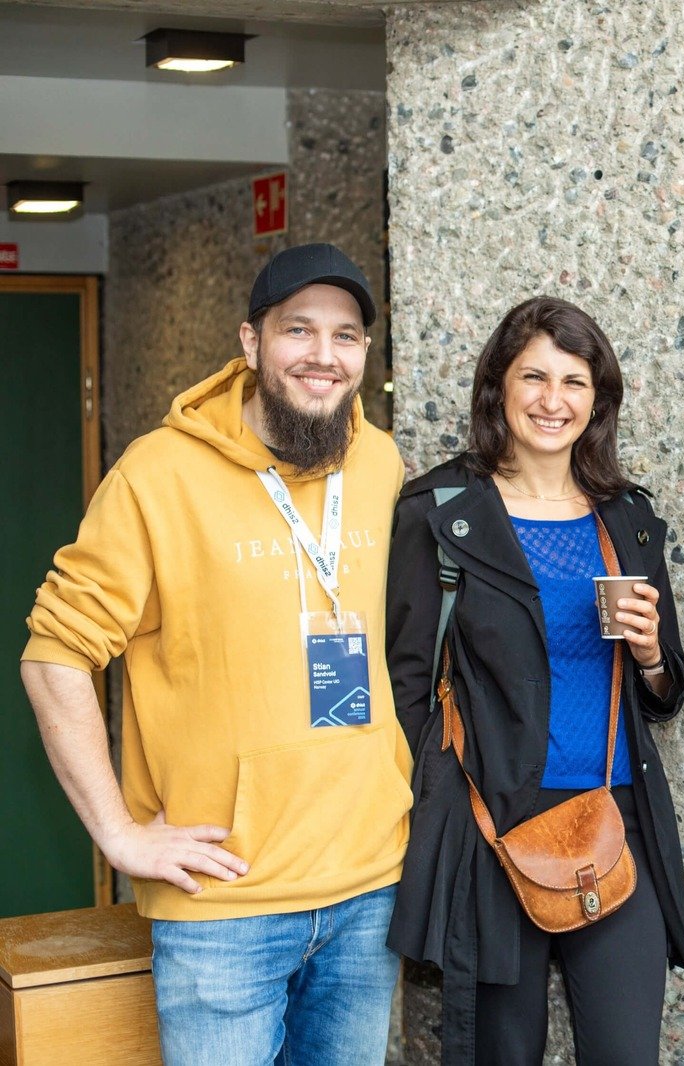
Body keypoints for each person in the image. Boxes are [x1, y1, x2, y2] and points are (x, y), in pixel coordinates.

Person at [19, 243, 409, 1064]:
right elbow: (54, 653)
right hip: (223, 905)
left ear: (365, 355)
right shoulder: (156, 476)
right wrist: (120, 836)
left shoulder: (378, 464)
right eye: (297, 330)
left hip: (369, 887)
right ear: (249, 341)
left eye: (345, 336)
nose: (322, 355)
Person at [385, 296, 684, 1064]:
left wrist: (653, 655)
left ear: (598, 400)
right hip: (490, 827)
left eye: (574, 381)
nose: (552, 400)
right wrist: (445, 802)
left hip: (609, 816)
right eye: (533, 377)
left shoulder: (625, 518)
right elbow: (407, 680)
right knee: (501, 1053)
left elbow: (662, 693)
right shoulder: (442, 511)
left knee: (626, 1053)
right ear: (498, 386)